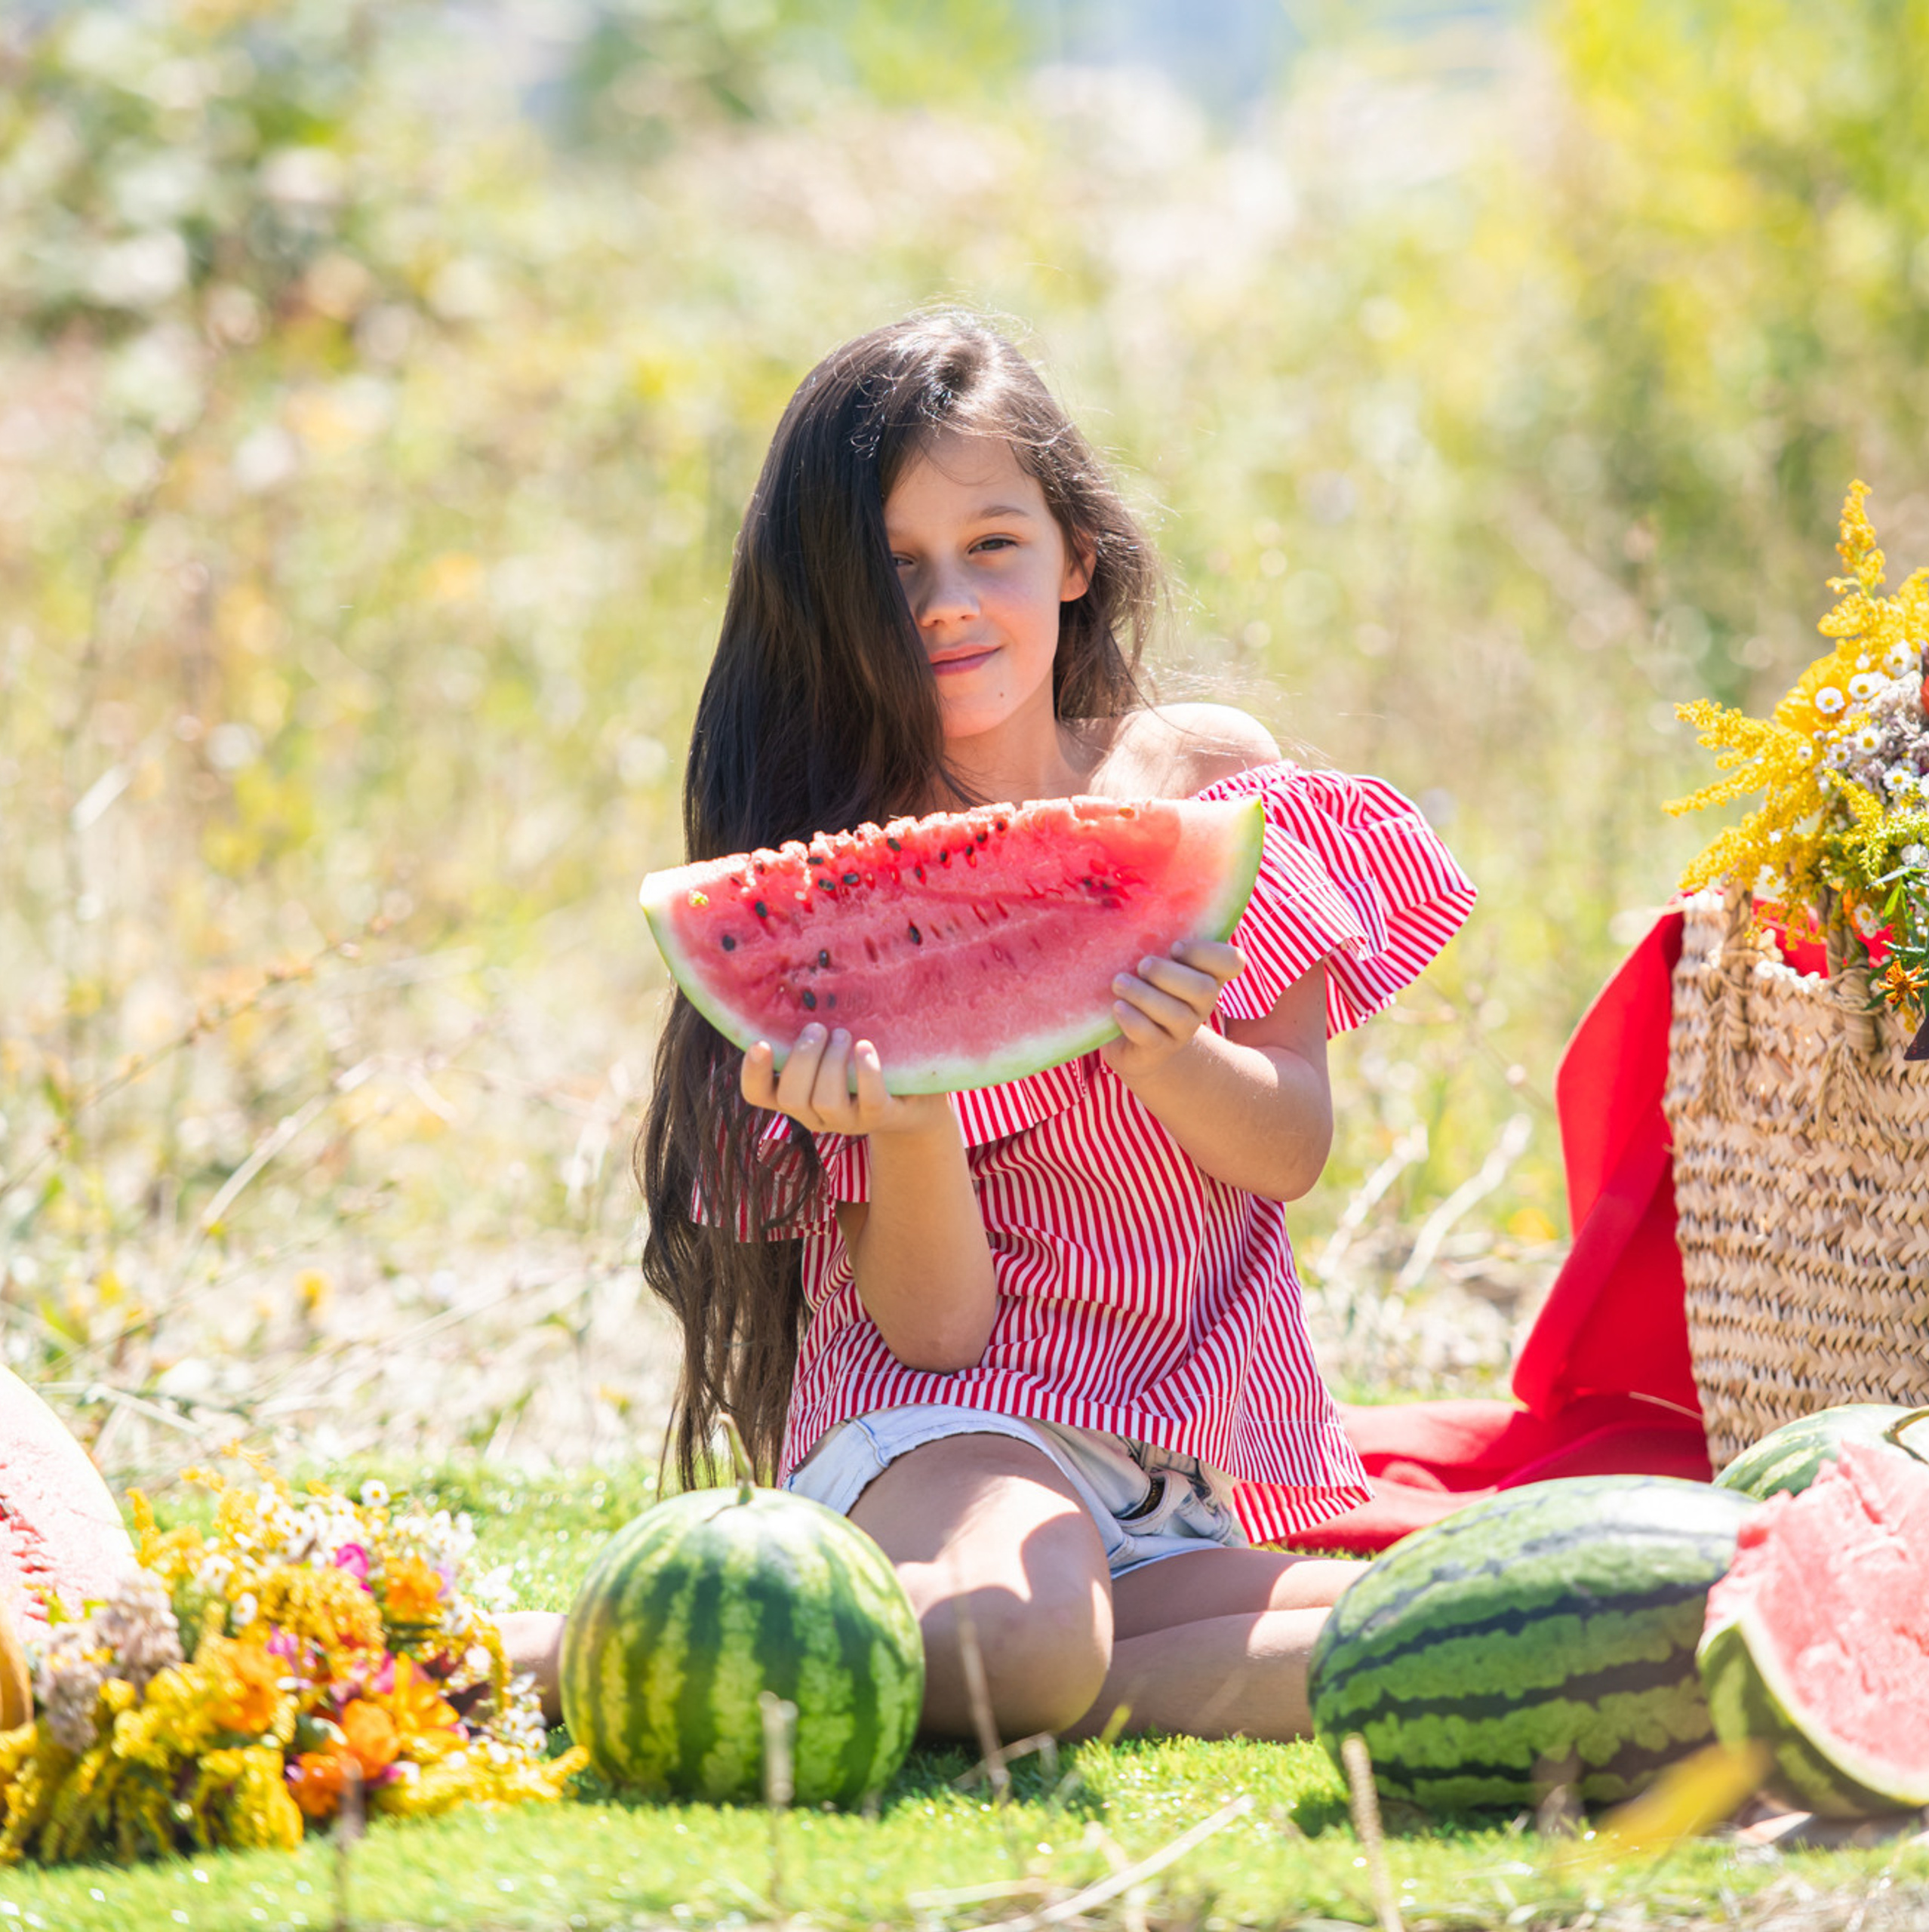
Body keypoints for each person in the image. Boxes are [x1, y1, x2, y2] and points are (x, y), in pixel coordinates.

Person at [511, 312, 1476, 1742]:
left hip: (1174, 1467)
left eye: (992, 544)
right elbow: (937, 1331)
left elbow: (1289, 1150)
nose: (948, 602)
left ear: (1076, 554)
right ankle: (540, 1653)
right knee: (1023, 1636)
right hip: (946, 1434)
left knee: (1427, 1619)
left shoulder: (1217, 789)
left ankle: (1013, 1663)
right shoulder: (839, 896)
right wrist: (909, 1130)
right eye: (895, 568)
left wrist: (1172, 1054)